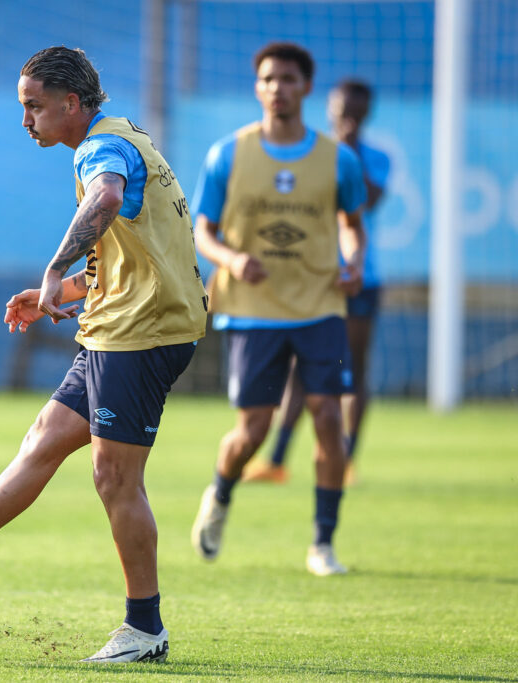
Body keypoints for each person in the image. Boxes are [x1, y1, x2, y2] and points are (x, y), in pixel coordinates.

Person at [0, 46, 208, 663]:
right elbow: (134, 252)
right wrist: (65, 289)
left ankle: (144, 630)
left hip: (140, 335)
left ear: (70, 104)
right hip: (119, 323)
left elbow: (104, 202)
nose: (26, 120)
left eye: (34, 107)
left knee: (114, 478)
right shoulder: (121, 134)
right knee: (44, 440)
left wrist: (55, 267)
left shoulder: (102, 151)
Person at [188, 43, 367, 576]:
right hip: (252, 311)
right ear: (257, 86)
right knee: (253, 433)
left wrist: (353, 261)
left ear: (306, 87)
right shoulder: (229, 154)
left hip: (320, 306)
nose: (277, 88)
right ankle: (220, 495)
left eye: (288, 79)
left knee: (329, 419)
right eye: (268, 79)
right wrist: (232, 259)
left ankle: (323, 543)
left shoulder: (338, 158)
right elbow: (203, 231)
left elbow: (352, 226)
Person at [244, 78, 391, 485]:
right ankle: (276, 459)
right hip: (310, 275)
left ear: (365, 115)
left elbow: (368, 201)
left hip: (360, 276)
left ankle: (345, 459)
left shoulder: (371, 157)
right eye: (343, 110)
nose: (348, 118)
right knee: (297, 367)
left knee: (354, 370)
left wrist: (351, 149)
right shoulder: (312, 153)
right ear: (329, 107)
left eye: (355, 113)